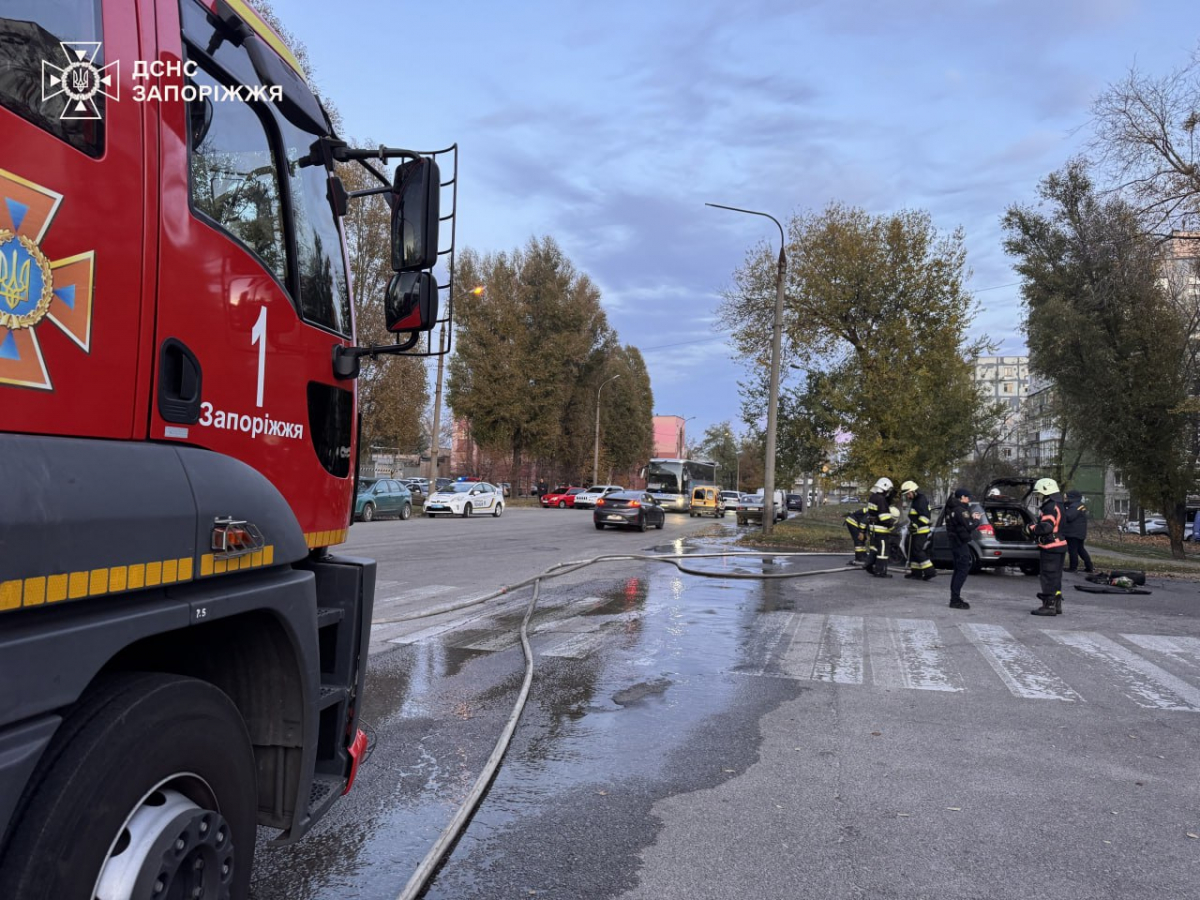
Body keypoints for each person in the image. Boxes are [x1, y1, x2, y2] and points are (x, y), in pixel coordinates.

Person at [1031, 477, 1068, 616]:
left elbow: (1046, 527)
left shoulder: (1050, 507)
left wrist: (1032, 528)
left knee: (1048, 576)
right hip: (1059, 545)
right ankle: (1057, 604)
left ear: (1046, 491)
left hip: (1051, 547)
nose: (1038, 496)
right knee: (1056, 576)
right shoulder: (1059, 504)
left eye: (1039, 493)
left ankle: (1049, 606)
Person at [945, 486, 981, 609]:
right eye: (967, 497)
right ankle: (955, 600)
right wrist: (976, 520)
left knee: (958, 570)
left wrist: (970, 517)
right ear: (962, 497)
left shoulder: (952, 508)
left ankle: (954, 598)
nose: (969, 500)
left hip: (955, 542)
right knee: (962, 571)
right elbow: (969, 526)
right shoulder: (960, 510)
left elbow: (961, 524)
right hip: (960, 543)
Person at [900, 480, 937, 580]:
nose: (908, 496)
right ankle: (916, 573)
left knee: (917, 550)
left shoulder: (920, 500)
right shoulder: (916, 500)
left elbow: (925, 517)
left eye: (908, 494)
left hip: (921, 531)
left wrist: (915, 525)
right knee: (913, 551)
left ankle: (930, 571)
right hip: (916, 531)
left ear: (913, 491)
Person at [864, 477, 897, 578]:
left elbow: (876, 511)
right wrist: (892, 525)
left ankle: (869, 564)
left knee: (874, 548)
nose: (888, 492)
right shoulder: (881, 499)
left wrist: (890, 498)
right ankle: (880, 571)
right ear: (884, 488)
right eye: (888, 490)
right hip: (881, 530)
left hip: (873, 529)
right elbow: (884, 517)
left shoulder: (873, 497)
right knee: (883, 551)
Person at [1062, 489, 1094, 574]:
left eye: (1066, 497)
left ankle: (1073, 567)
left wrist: (1062, 513)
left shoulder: (1074, 506)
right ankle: (1089, 566)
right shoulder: (1079, 505)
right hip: (1079, 532)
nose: (1065, 499)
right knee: (1080, 549)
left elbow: (1069, 517)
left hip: (1073, 533)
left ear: (1071, 497)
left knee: (1073, 550)